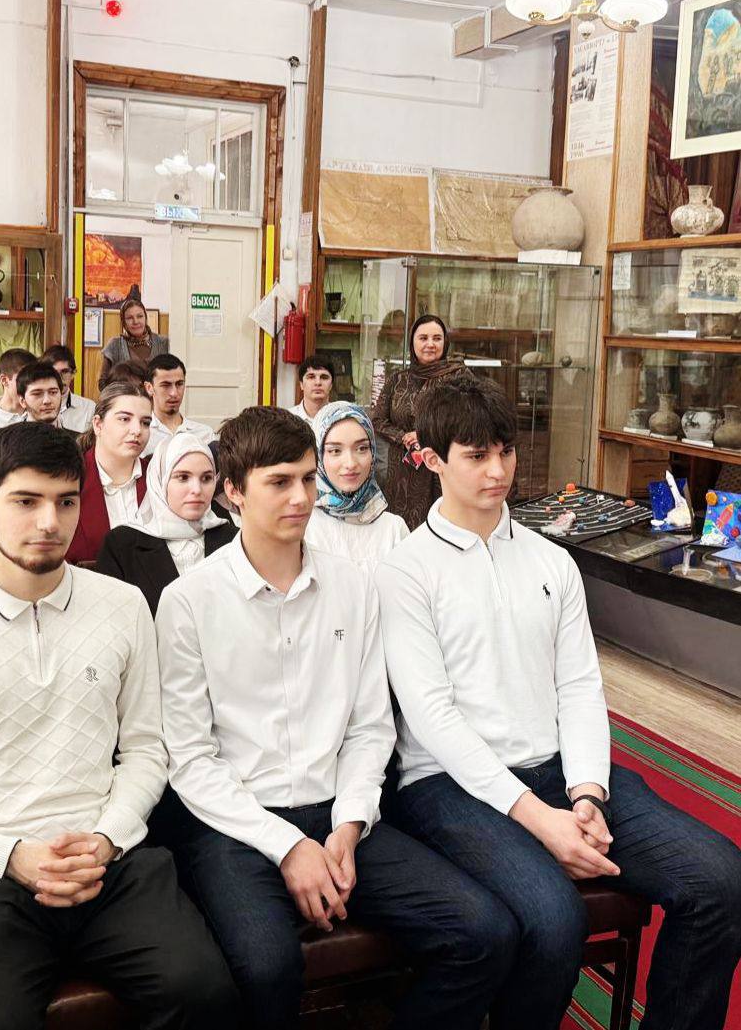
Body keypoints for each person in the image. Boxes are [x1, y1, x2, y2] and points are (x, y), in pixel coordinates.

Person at [376, 376, 741, 1030]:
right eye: (476, 456)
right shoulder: (405, 570)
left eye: (505, 452)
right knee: (552, 919)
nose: (497, 471)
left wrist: (586, 793)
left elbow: (578, 686)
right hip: (447, 786)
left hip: (557, 770)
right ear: (430, 459)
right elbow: (432, 717)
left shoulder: (551, 561)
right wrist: (541, 821)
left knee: (720, 879)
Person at [0, 422, 238, 1030]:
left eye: (66, 502)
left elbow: (146, 749)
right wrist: (9, 854)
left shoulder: (122, 606)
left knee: (206, 995)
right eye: (26, 501)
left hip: (106, 860)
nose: (49, 522)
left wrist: (108, 836)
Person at [155, 405, 517, 1030]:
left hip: (338, 813)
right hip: (236, 825)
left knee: (484, 932)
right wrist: (289, 847)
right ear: (233, 492)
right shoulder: (189, 600)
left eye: (306, 477)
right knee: (267, 967)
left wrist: (348, 826)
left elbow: (370, 726)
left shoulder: (353, 585)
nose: (301, 498)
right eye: (278, 482)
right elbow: (189, 758)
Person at [97, 435, 236, 617]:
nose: (197, 489)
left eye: (206, 478)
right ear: (160, 481)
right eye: (183, 477)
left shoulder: (235, 540)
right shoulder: (122, 545)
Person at [371, 314, 470, 531]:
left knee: (443, 529)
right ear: (412, 342)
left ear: (445, 342)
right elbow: (377, 419)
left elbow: (469, 418)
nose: (430, 344)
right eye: (423, 338)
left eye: (437, 338)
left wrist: (426, 434)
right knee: (403, 532)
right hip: (403, 472)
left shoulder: (460, 377)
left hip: (443, 467)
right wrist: (403, 437)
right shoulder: (398, 379)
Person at [304, 402, 409, 572]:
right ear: (318, 455)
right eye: (335, 451)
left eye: (361, 448)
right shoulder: (303, 527)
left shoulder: (393, 530)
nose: (351, 463)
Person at [65, 383, 153, 564]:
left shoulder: (158, 477)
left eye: (145, 422)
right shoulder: (69, 478)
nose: (137, 430)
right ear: (98, 424)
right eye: (124, 419)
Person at [143, 354, 217, 457]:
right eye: (165, 385)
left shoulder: (204, 434)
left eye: (179, 384)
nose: (174, 393)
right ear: (149, 388)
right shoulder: (141, 435)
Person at [98, 297, 169, 388]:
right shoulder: (115, 345)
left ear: (145, 318)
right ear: (123, 322)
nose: (135, 321)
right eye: (129, 318)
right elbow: (103, 383)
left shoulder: (163, 343)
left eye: (140, 316)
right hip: (125, 396)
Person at [41, 344, 97, 433]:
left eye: (64, 372)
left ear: (73, 374)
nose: (59, 378)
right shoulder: (33, 406)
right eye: (53, 372)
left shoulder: (89, 408)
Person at [0, 347, 35, 426]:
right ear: (4, 380)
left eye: (34, 379)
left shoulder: (40, 413)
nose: (32, 385)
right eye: (24, 378)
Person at [287, 357, 333, 425]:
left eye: (324, 377)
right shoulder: (288, 419)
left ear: (331, 385)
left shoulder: (342, 419)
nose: (318, 382)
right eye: (311, 377)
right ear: (301, 384)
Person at [16, 361, 64, 426]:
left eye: (53, 392)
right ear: (22, 401)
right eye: (37, 394)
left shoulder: (75, 432)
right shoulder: (9, 433)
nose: (47, 401)